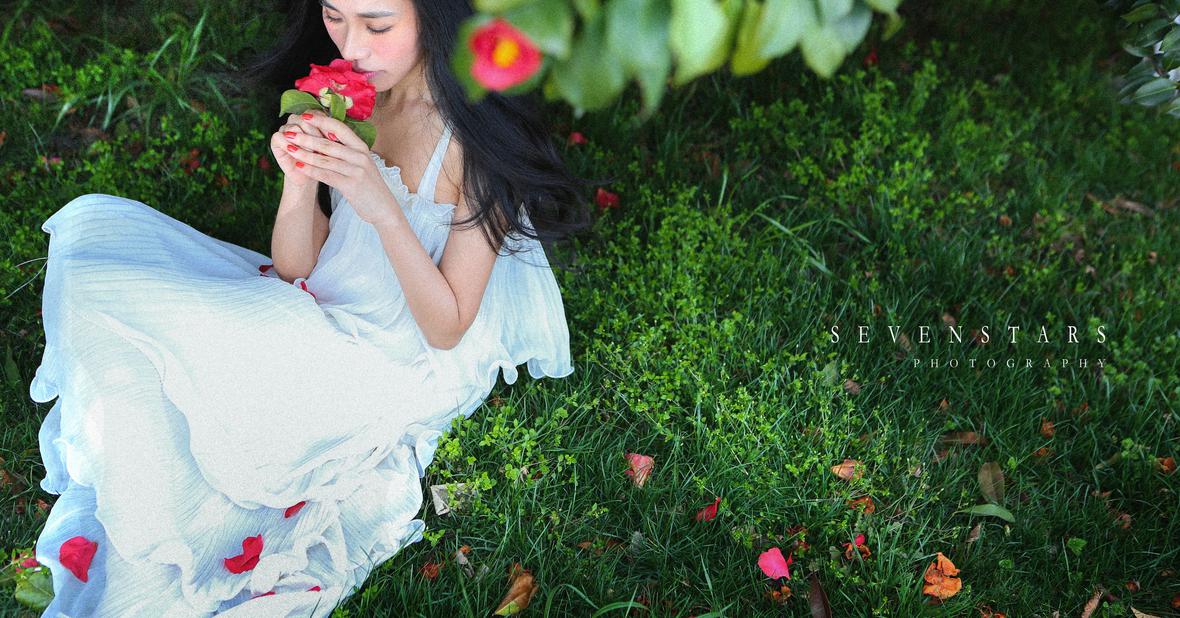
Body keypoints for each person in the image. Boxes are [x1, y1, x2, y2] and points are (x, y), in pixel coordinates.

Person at [28, 0, 594, 615]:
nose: (352, 47)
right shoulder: (356, 94)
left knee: (175, 361)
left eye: (378, 25)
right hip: (321, 304)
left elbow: (448, 327)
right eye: (333, 16)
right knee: (92, 247)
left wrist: (379, 203)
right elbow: (297, 268)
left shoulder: (477, 144)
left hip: (396, 357)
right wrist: (299, 185)